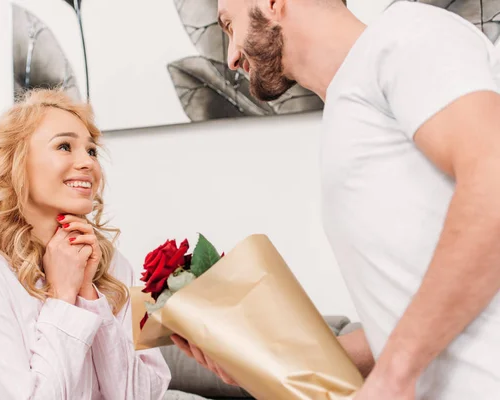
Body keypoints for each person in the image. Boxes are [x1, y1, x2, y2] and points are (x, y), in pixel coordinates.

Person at [171, 0, 500, 399]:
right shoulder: (346, 107)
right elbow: (404, 319)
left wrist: (393, 377)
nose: (232, 55)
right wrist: (272, 361)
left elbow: (492, 178)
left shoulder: (403, 35)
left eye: (229, 26)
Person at [0, 89, 171, 399]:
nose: (87, 163)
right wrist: (63, 297)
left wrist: (90, 296)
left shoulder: (115, 265)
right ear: (15, 162)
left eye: (91, 151)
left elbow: (144, 395)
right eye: (64, 146)